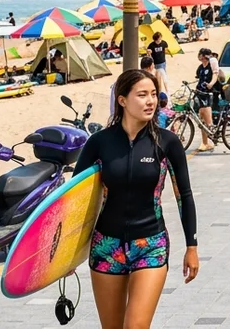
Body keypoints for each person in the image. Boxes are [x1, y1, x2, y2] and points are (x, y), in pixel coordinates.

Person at [75, 69, 198, 327]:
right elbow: (75, 200)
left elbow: (184, 196)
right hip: (106, 246)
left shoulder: (167, 142)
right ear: (122, 100)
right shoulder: (99, 143)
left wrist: (192, 246)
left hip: (151, 244)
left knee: (135, 326)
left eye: (153, 94)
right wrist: (67, 256)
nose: (151, 101)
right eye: (142, 95)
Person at [193, 49, 223, 152]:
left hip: (209, 93)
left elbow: (215, 74)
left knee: (207, 119)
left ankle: (211, 139)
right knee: (202, 119)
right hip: (201, 92)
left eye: (200, 54)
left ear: (204, 56)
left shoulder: (212, 61)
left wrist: (211, 84)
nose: (199, 56)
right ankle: (205, 142)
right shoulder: (201, 67)